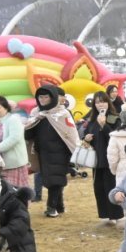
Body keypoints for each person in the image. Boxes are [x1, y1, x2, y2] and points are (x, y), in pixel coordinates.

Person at [23, 84, 79, 218]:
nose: (42, 99)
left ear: (52, 97)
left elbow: (71, 133)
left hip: (60, 152)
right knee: (51, 178)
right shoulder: (37, 113)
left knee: (55, 179)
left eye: (46, 97)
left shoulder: (62, 113)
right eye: (40, 97)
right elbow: (28, 135)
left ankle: (51, 207)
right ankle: (59, 206)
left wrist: (73, 151)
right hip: (42, 153)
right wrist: (35, 121)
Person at [83, 91, 124, 226]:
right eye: (97, 101)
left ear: (108, 102)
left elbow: (116, 136)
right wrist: (87, 139)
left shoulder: (114, 118)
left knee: (111, 187)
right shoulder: (92, 119)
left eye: (103, 101)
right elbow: (88, 136)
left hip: (111, 160)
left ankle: (117, 215)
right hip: (97, 159)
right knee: (99, 188)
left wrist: (104, 126)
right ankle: (105, 214)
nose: (100, 104)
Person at [0, 97, 30, 190]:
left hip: (12, 163)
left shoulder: (13, 120)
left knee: (15, 190)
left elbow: (14, 138)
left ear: (6, 108)